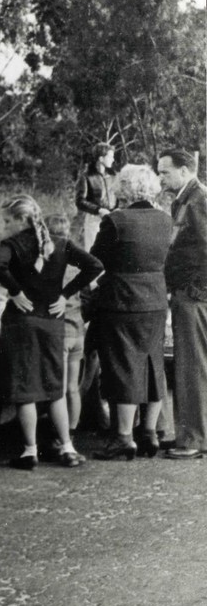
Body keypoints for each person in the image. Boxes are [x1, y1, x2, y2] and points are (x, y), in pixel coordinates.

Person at [0, 195, 102, 469]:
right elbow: (95, 265)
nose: (4, 226)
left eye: (7, 221)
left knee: (25, 388)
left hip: (21, 322)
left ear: (21, 220)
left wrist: (15, 291)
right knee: (55, 388)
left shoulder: (11, 245)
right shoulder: (60, 244)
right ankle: (67, 447)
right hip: (53, 321)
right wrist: (65, 294)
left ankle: (30, 452)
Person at [89, 164, 172, 460]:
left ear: (123, 187)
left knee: (123, 366)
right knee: (153, 364)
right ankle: (149, 432)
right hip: (156, 300)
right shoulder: (166, 219)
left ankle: (123, 437)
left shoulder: (115, 220)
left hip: (121, 301)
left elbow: (95, 261)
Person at [158, 148, 207, 459]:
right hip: (190, 291)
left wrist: (194, 288)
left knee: (191, 367)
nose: (160, 177)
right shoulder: (189, 198)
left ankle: (191, 440)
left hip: (193, 294)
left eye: (165, 171)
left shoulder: (198, 199)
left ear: (185, 170)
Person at [45, 213, 87, 438]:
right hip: (78, 330)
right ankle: (71, 431)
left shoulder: (51, 263)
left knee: (57, 389)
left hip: (60, 331)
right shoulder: (76, 264)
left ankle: (59, 436)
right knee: (73, 387)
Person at [74, 143, 117, 250]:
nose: (113, 159)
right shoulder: (86, 176)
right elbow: (80, 201)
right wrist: (98, 210)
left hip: (114, 218)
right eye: (110, 157)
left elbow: (119, 196)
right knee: (93, 253)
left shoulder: (114, 176)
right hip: (95, 220)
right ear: (101, 158)